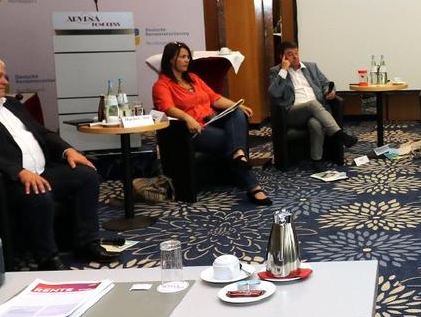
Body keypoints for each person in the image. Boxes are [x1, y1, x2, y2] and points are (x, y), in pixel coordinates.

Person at [0, 55, 120, 270]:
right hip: (5, 180)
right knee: (38, 193)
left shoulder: (12, 104)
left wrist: (68, 150)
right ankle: (47, 257)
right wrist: (19, 171)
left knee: (86, 176)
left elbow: (43, 133)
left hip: (42, 171)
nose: (5, 81)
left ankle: (86, 242)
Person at [152, 42, 271, 205]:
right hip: (192, 130)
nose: (187, 60)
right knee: (231, 139)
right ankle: (253, 186)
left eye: (188, 57)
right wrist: (187, 118)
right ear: (171, 60)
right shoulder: (162, 85)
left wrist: (238, 105)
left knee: (236, 112)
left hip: (212, 120)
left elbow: (214, 98)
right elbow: (167, 108)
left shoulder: (193, 78)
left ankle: (238, 155)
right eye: (182, 57)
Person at [268, 41, 357, 171]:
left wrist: (329, 91)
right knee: (312, 104)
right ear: (282, 57)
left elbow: (326, 83)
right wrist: (284, 70)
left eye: (296, 53)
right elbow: (274, 93)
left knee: (315, 123)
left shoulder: (311, 67)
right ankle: (340, 135)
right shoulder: (276, 71)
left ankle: (317, 160)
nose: (295, 57)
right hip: (293, 113)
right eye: (290, 54)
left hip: (316, 112)